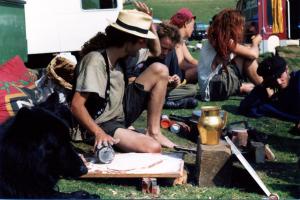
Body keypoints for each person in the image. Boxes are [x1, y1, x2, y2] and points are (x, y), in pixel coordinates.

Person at [71, 6, 176, 153]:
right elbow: (76, 106)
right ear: (131, 40)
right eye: (143, 41)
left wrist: (149, 24)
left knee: (160, 69)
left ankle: (154, 132)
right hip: (101, 122)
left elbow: (156, 51)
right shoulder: (95, 61)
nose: (144, 45)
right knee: (152, 147)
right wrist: (98, 133)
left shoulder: (124, 56)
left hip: (120, 113)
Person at [127, 21, 198, 109]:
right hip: (143, 90)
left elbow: (177, 76)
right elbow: (130, 79)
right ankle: (166, 103)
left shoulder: (171, 53)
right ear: (156, 42)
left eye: (169, 49)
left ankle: (160, 102)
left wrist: (175, 80)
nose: (165, 52)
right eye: (163, 48)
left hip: (164, 90)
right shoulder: (143, 53)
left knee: (191, 89)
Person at [197, 9, 263, 101]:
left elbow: (245, 49)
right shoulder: (226, 41)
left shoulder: (218, 38)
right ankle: (267, 90)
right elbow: (253, 54)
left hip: (210, 89)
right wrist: (255, 42)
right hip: (214, 87)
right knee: (247, 58)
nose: (242, 28)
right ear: (232, 26)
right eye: (240, 25)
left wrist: (250, 47)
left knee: (244, 56)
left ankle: (263, 87)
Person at [239, 55, 300, 132]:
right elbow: (246, 108)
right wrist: (263, 87)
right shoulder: (273, 99)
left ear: (287, 69)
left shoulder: (298, 79)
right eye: (274, 79)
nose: (279, 81)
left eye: (280, 75)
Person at [170, 8, 198, 83]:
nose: (193, 29)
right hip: (174, 76)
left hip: (178, 73)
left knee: (201, 69)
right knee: (199, 71)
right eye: (192, 25)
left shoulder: (180, 39)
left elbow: (191, 60)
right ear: (185, 24)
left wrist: (204, 65)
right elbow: (180, 64)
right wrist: (200, 67)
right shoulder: (175, 39)